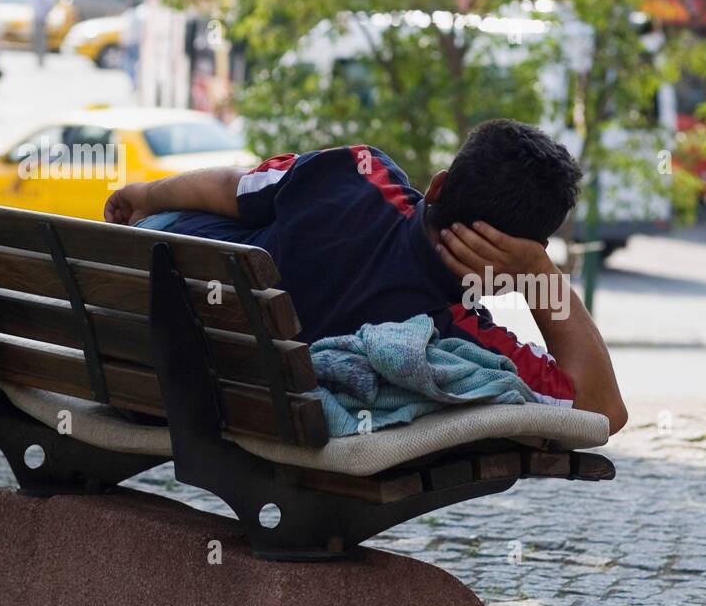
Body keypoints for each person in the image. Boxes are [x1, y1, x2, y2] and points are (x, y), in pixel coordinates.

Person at [103, 119, 628, 433]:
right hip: (217, 411)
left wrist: (145, 194)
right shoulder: (449, 338)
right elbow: (602, 411)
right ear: (523, 253)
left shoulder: (356, 172)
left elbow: (234, 188)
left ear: (440, 186)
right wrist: (542, 274)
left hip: (125, 365)